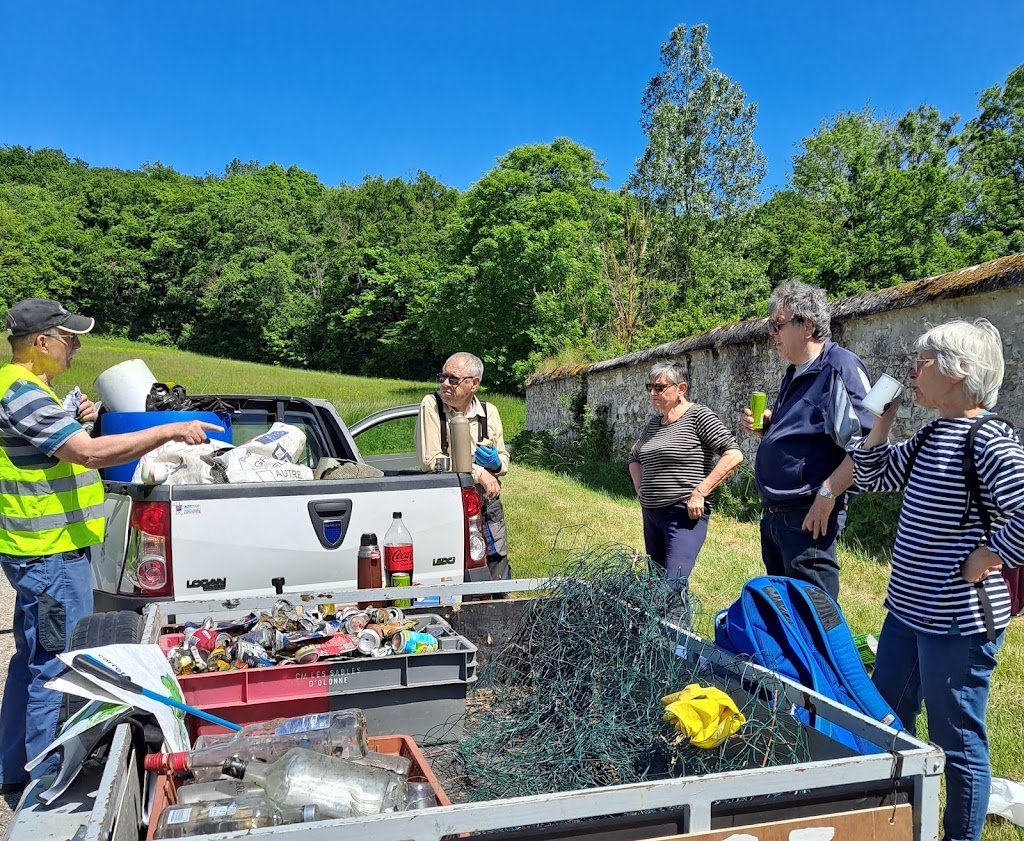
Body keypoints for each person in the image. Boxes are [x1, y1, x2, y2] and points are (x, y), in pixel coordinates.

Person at [0, 298, 221, 792]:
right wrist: (166, 430)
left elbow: (57, 449)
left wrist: (76, 414)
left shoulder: (29, 390)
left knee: (31, 657)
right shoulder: (22, 392)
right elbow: (89, 454)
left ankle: (14, 769)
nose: (75, 347)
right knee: (57, 667)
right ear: (41, 343)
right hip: (49, 553)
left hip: (42, 549)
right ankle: (47, 785)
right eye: (69, 338)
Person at [850, 319, 1023, 841]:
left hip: (959, 622)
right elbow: (873, 476)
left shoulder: (989, 439)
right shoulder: (932, 434)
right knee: (888, 720)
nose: (911, 371)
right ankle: (897, 824)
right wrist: (879, 423)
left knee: (957, 741)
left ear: (960, 371)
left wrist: (989, 555)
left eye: (922, 361)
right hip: (907, 613)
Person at [741, 280, 872, 601]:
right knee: (787, 616)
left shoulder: (840, 367)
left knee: (814, 617)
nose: (772, 334)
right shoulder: (795, 372)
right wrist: (769, 429)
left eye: (778, 326)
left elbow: (867, 444)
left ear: (808, 326)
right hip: (777, 515)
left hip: (807, 517)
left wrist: (827, 494)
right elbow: (808, 433)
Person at [628, 362, 744, 593]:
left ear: (681, 388)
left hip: (683, 514)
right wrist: (640, 490)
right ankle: (672, 630)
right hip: (651, 514)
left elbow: (733, 454)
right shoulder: (654, 424)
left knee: (672, 585)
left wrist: (700, 492)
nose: (653, 393)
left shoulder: (698, 416)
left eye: (660, 387)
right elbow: (634, 457)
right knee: (657, 583)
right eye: (650, 387)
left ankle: (673, 628)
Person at [415, 352, 511, 580]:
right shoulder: (433, 405)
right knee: (451, 567)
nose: (444, 384)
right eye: (442, 377)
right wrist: (479, 473)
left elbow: (503, 460)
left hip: (486, 505)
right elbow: (431, 461)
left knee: (496, 565)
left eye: (453, 379)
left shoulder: (489, 412)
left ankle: (499, 610)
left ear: (474, 383)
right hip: (447, 503)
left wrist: (496, 464)